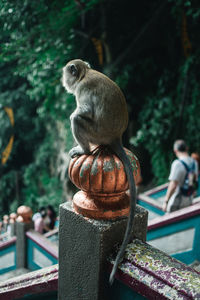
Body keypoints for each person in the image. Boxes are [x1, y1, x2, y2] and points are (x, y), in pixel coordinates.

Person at [163, 140, 198, 212]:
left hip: (177, 202)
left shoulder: (177, 163)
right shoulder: (194, 163)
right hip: (189, 200)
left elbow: (173, 185)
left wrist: (166, 201)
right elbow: (194, 182)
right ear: (187, 148)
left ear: (175, 151)